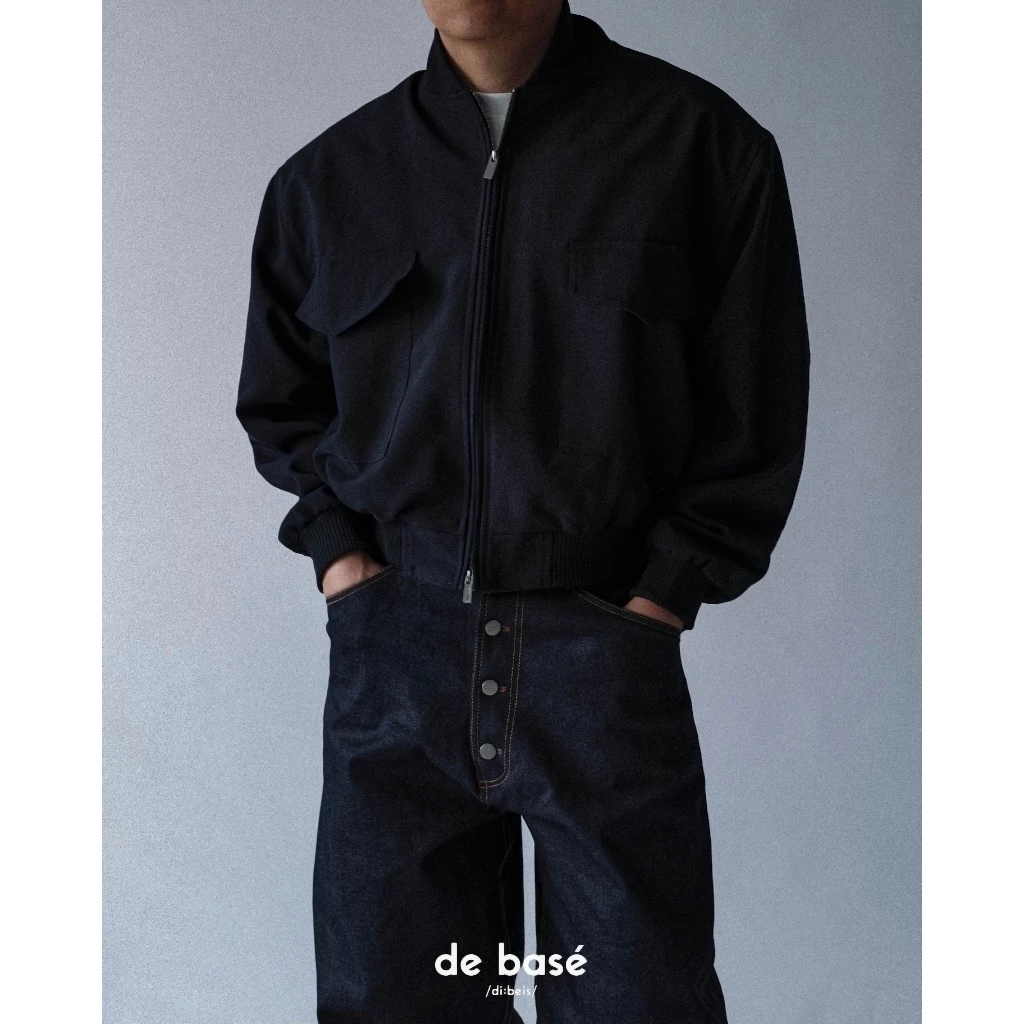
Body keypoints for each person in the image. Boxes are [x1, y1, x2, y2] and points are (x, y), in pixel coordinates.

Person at [236, 0, 810, 1020]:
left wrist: (665, 592)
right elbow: (283, 403)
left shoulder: (701, 149)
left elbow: (754, 401)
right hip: (396, 647)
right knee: (397, 999)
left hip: (602, 646)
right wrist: (342, 560)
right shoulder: (329, 180)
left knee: (635, 998)